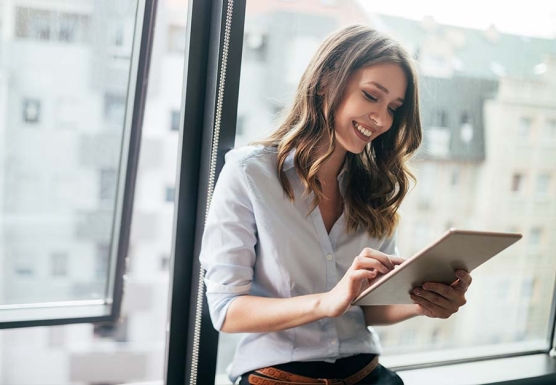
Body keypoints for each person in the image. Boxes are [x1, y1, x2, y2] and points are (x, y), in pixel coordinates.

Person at [200, 25, 472, 385]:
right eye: (371, 96)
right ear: (327, 80)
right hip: (278, 376)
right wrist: (327, 301)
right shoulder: (249, 173)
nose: (382, 119)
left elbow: (368, 308)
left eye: (393, 108)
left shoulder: (374, 187)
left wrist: (424, 303)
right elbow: (226, 310)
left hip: (368, 374)